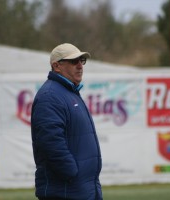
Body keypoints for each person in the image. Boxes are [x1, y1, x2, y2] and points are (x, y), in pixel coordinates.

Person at [31, 43, 103, 200]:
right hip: (66, 190)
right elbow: (50, 142)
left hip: (82, 189)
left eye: (81, 60)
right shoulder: (50, 96)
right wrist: (71, 173)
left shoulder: (68, 92)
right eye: (73, 61)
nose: (79, 65)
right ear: (56, 66)